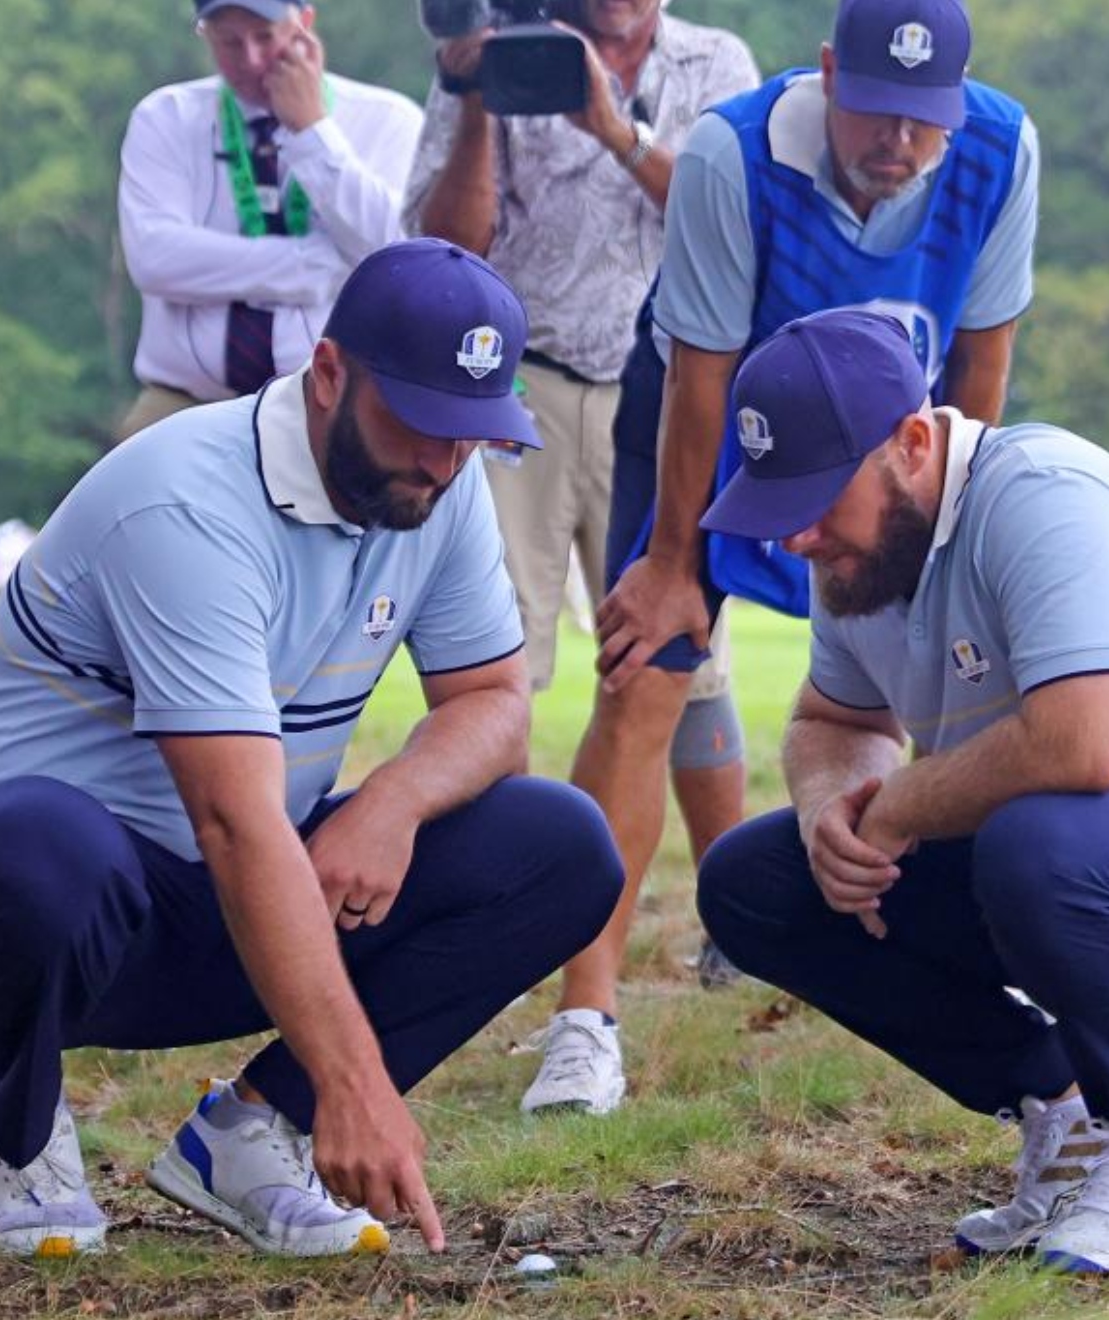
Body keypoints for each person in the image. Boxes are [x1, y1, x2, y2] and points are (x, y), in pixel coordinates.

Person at [0, 240, 624, 1261]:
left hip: (214, 892)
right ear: (327, 375)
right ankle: (25, 1123)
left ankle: (249, 1135)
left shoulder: (440, 489)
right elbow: (231, 821)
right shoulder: (187, 500)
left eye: (473, 435)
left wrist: (392, 802)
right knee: (43, 842)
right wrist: (361, 1086)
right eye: (424, 424)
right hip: (1, 912)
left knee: (562, 846)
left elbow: (494, 704)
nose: (446, 464)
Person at [696, 310, 1109, 1275]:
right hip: (1065, 859)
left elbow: (1083, 748)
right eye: (778, 502)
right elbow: (832, 724)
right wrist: (835, 810)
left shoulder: (1045, 494)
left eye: (819, 498)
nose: (795, 535)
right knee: (754, 881)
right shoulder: (860, 562)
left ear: (913, 444)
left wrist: (901, 806)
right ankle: (1067, 1115)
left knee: (1036, 838)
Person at [525, 0, 1043, 1116]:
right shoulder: (732, 153)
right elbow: (700, 375)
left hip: (897, 447)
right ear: (826, 75)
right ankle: (584, 1019)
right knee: (642, 684)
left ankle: (1002, 965)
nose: (896, 141)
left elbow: (980, 367)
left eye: (922, 120)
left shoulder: (1002, 149)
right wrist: (674, 561)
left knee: (973, 692)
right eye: (873, 111)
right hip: (722, 436)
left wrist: (959, 538)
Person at [402, 0, 760, 999]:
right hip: (530, 382)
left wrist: (615, 128)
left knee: (683, 658)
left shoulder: (713, 62)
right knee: (490, 660)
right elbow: (449, 244)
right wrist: (475, 96)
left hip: (670, 386)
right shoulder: (505, 60)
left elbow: (737, 216)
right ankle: (504, 898)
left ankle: (736, 908)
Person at [115, 0, 422, 440]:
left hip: (331, 406)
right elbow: (154, 259)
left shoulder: (388, 119)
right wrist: (314, 266)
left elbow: (397, 258)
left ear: (304, 26)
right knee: (123, 491)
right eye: (229, 43)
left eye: (265, 36)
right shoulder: (166, 117)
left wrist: (311, 132)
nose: (251, 60)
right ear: (204, 33)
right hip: (186, 401)